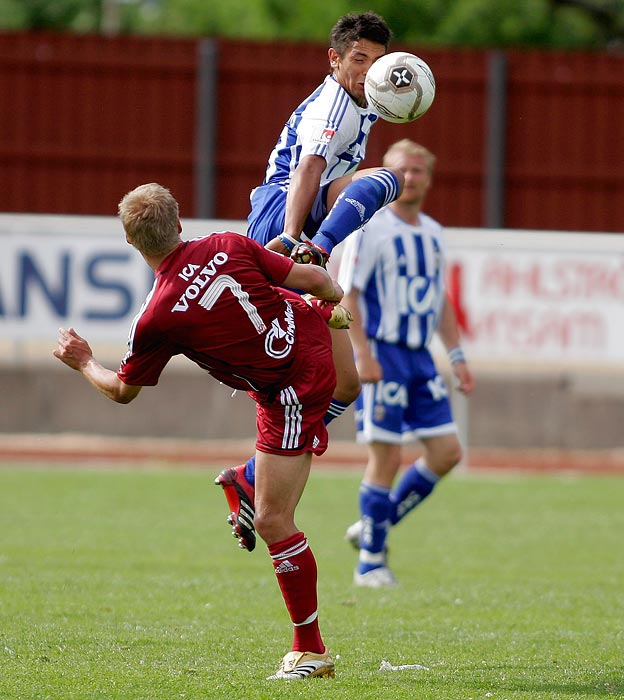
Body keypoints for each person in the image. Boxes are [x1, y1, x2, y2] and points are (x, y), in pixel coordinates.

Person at [53, 182, 348, 679]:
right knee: (349, 388)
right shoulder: (226, 243)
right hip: (308, 327)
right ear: (179, 223)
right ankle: (248, 478)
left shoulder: (157, 316)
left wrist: (83, 362)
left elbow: (123, 390)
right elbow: (314, 281)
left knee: (275, 522)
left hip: (291, 389)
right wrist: (332, 297)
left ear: (131, 243)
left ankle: (310, 651)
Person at [216, 11, 404, 551]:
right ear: (335, 59)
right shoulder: (333, 104)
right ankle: (268, 467)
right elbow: (308, 170)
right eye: (359, 59)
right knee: (385, 179)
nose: (367, 70)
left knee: (345, 383)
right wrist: (299, 238)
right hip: (284, 217)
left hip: (304, 224)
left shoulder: (366, 102)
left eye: (376, 61)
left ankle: (250, 475)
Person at [337, 140, 476, 588]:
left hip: (419, 357)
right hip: (382, 351)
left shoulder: (433, 231)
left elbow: (439, 301)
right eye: (401, 171)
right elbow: (347, 294)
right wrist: (362, 354)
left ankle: (373, 527)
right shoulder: (370, 228)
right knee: (388, 456)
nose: (410, 178)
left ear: (429, 179)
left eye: (418, 171)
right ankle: (370, 565)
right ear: (386, 176)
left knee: (447, 453)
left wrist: (456, 356)